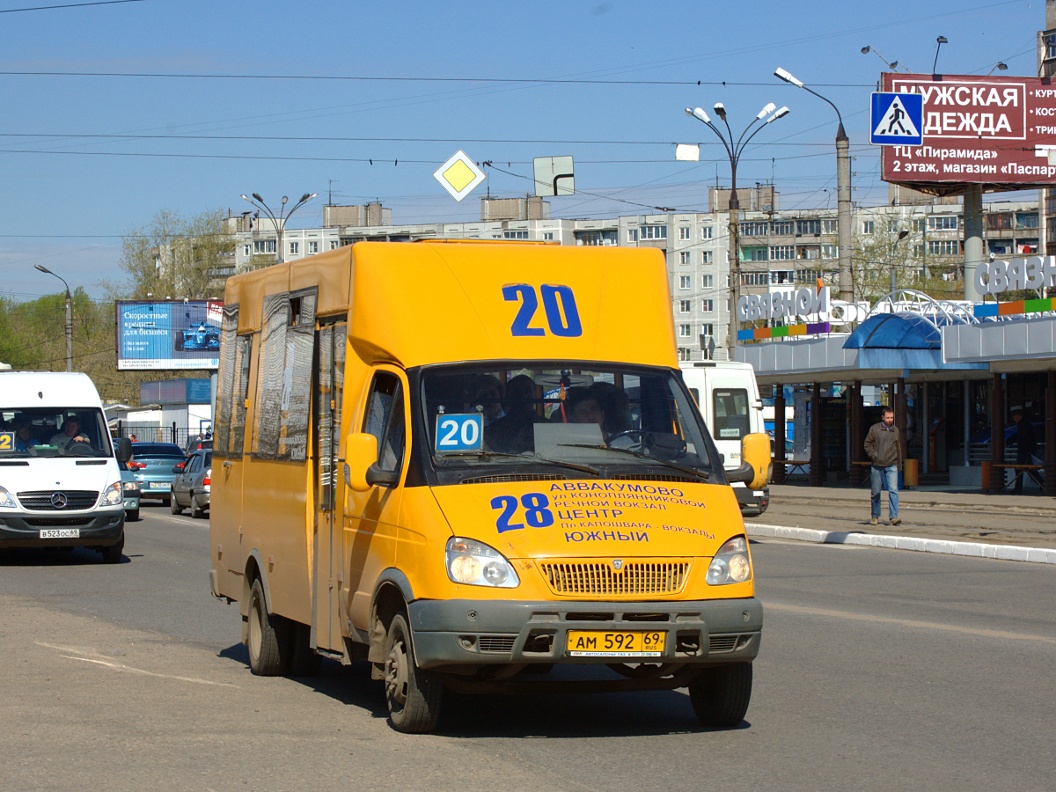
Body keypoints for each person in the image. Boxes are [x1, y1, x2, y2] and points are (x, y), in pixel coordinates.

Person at [485, 374, 544, 454]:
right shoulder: (493, 432)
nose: (523, 396)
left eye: (527, 391)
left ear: (536, 396)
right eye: (516, 391)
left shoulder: (550, 427)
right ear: (508, 397)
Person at [864, 407, 902, 526]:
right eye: (888, 418)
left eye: (892, 418)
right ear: (883, 418)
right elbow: (867, 444)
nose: (890, 420)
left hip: (891, 464)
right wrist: (874, 455)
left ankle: (894, 517)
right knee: (876, 492)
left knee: (893, 490)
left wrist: (899, 464)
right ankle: (875, 516)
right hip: (877, 465)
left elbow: (898, 448)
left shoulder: (895, 430)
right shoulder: (874, 429)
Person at [1009, 408, 1038, 493]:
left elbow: (1023, 438)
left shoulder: (1023, 425)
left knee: (1019, 468)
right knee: (1029, 468)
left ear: (1018, 416)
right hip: (1027, 450)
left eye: (1014, 417)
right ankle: (1042, 483)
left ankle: (1018, 488)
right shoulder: (1025, 424)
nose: (1014, 419)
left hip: (1024, 450)